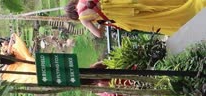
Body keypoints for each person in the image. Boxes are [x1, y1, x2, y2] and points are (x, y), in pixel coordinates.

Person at [65, 0, 205, 37]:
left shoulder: (83, 17)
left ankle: (192, 15)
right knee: (158, 3)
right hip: (125, 2)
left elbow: (99, 34)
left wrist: (101, 22)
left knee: (158, 19)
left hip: (124, 16)